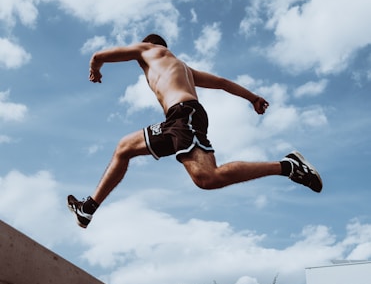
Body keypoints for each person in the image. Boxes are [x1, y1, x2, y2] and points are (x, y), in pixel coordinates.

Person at [68, 34, 322, 228]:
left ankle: (288, 166)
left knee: (207, 178)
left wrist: (95, 67)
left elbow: (99, 55)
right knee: (124, 148)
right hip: (174, 120)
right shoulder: (185, 69)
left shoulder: (151, 49)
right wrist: (253, 97)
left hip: (184, 115)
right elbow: (222, 83)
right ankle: (87, 209)